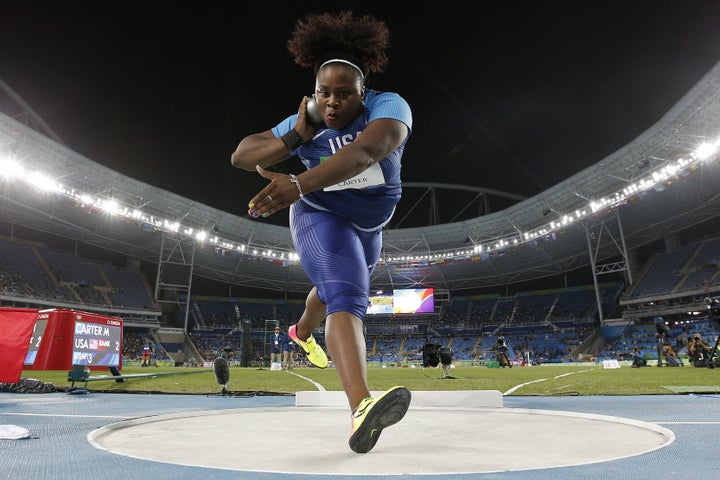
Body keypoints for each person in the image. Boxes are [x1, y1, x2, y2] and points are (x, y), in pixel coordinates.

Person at [231, 11, 412, 453]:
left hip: (370, 224)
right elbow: (241, 154)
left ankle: (301, 332)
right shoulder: (309, 118)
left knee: (336, 287)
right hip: (319, 213)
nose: (332, 103)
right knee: (349, 295)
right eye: (323, 93)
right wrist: (294, 138)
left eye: (344, 95)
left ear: (362, 94)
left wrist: (296, 181)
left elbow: (367, 151)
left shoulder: (389, 107)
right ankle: (361, 408)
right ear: (313, 94)